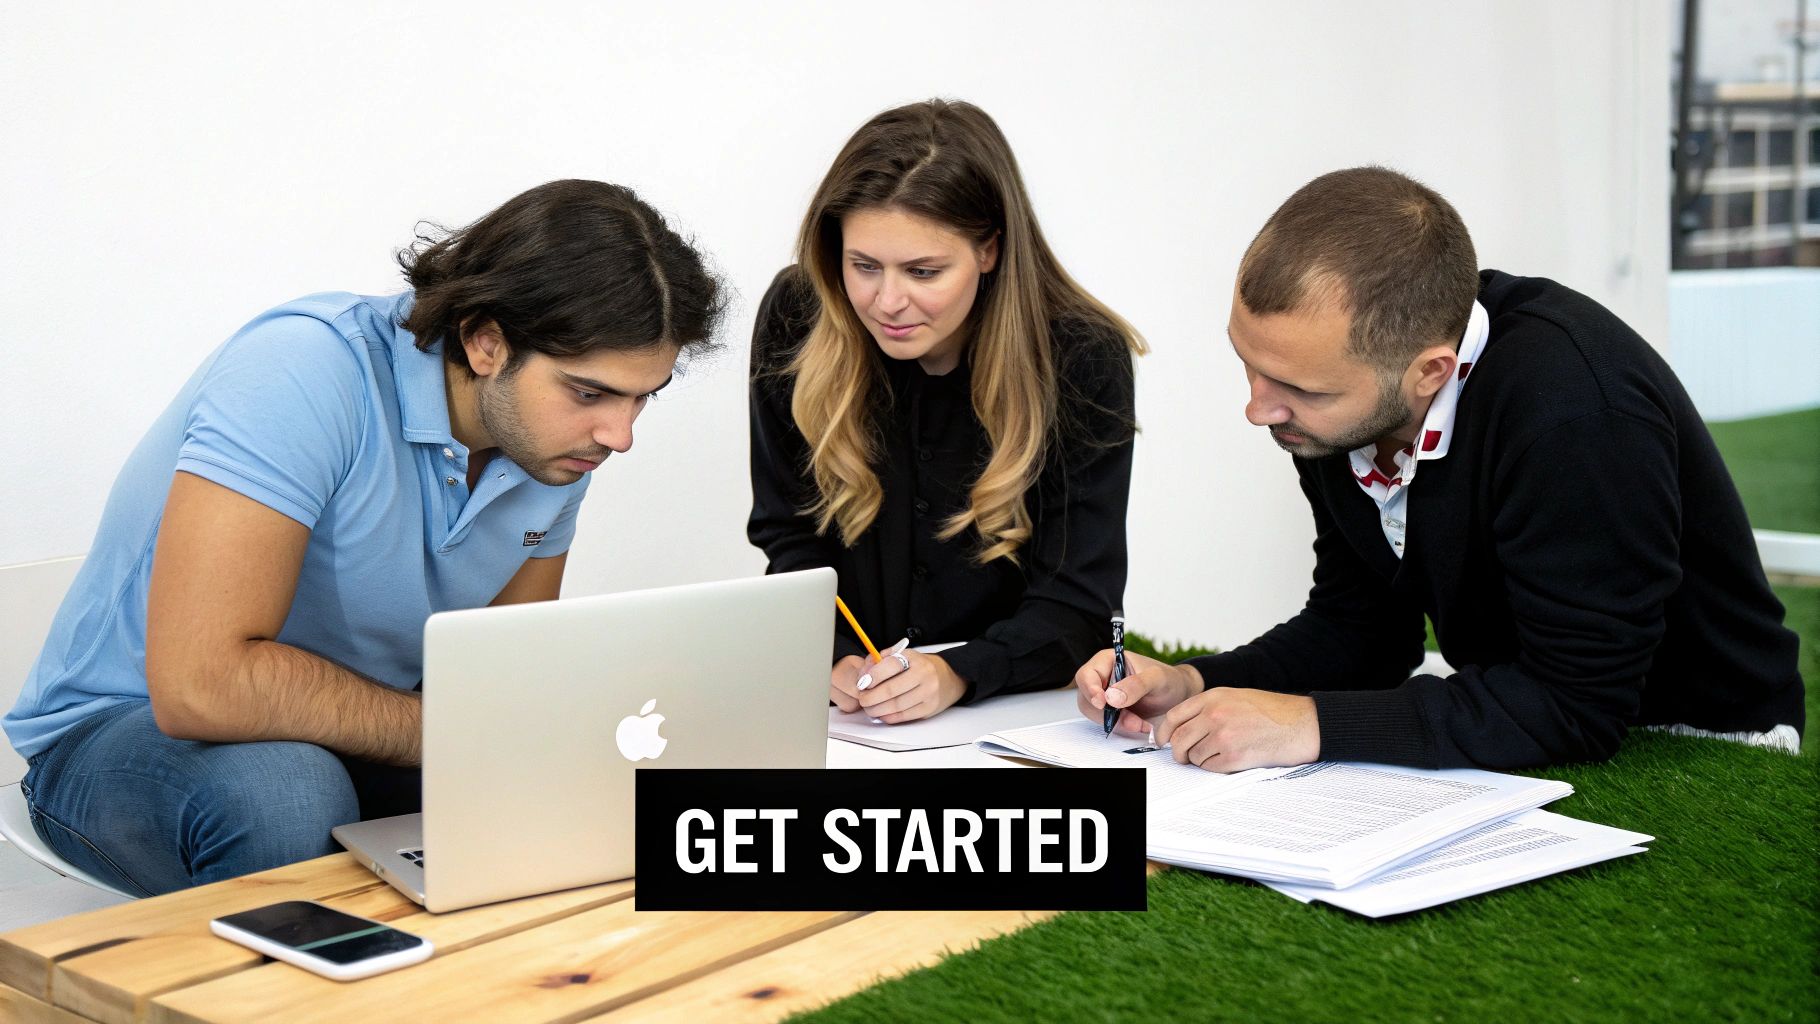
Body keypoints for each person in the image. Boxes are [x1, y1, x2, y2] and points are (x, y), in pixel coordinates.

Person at [4, 180, 724, 894]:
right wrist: (461, 733)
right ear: (485, 342)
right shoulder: (303, 370)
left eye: (642, 398)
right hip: (127, 735)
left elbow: (500, 681)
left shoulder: (555, 445)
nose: (619, 436)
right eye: (589, 393)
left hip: (356, 736)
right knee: (286, 793)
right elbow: (202, 687)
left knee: (599, 799)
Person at [1078, 166, 1805, 772]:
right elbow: (1362, 629)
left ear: (1431, 371)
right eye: (1249, 365)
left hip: (1697, 743)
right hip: (1520, 717)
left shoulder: (1576, 410)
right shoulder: (1338, 411)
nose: (1258, 408)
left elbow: (1578, 706)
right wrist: (1194, 681)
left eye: (1301, 389)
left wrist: (1309, 724)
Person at [749, 99, 1145, 725]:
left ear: (989, 250)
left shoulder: (1080, 356)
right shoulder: (800, 317)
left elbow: (1080, 604)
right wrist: (831, 655)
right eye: (864, 266)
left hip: (1004, 718)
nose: (887, 302)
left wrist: (960, 671)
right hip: (848, 725)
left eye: (924, 271)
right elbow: (788, 535)